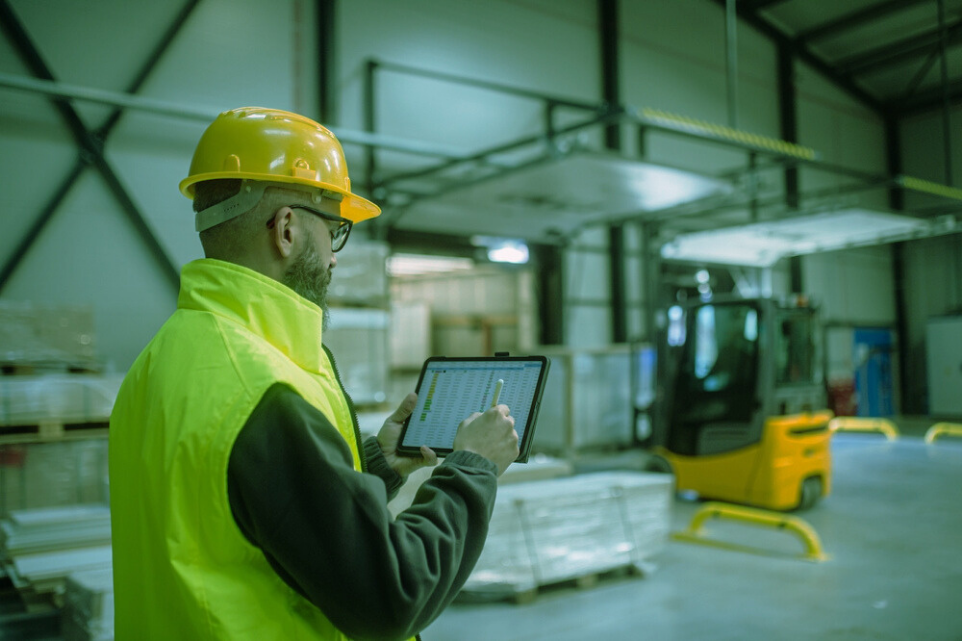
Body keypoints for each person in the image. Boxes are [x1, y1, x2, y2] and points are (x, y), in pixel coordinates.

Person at [108, 107, 520, 640]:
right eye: (335, 231)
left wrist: (376, 465)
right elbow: (390, 595)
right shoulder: (264, 393)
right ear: (285, 229)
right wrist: (473, 467)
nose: (333, 257)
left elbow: (245, 518)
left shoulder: (161, 362)